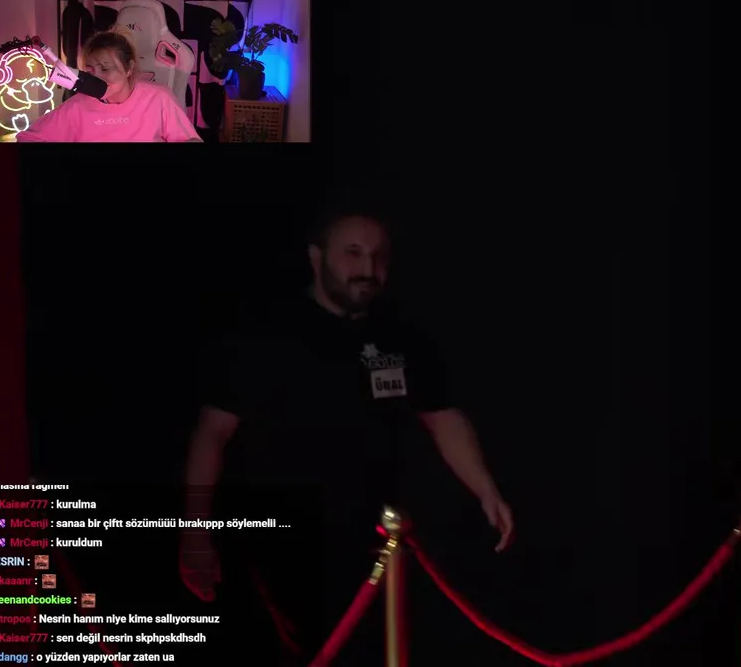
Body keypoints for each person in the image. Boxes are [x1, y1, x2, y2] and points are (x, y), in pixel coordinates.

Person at [180, 202, 513, 664]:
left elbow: (441, 416)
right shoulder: (265, 334)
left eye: (378, 256)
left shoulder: (401, 334)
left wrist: (486, 489)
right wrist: (196, 533)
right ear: (317, 257)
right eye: (353, 253)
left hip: (374, 542)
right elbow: (211, 435)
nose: (367, 269)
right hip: (281, 542)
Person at [17, 29, 201, 142]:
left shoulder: (159, 98)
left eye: (105, 68)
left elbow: (190, 140)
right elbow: (28, 137)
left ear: (129, 68)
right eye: (90, 70)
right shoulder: (77, 106)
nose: (96, 76)